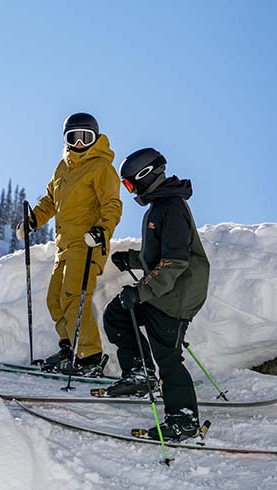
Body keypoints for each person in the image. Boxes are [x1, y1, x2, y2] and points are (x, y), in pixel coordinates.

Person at [103, 147, 210, 441]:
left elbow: (175, 262)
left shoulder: (171, 208)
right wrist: (133, 259)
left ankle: (184, 420)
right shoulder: (160, 206)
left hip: (177, 296)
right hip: (164, 290)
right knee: (117, 313)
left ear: (145, 176)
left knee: (168, 357)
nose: (131, 190)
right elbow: (162, 253)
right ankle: (140, 375)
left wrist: (141, 292)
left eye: (130, 184)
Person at [17, 113, 122, 374]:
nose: (79, 144)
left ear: (95, 138)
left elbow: (112, 204)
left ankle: (89, 357)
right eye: (73, 138)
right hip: (64, 245)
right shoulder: (63, 167)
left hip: (87, 244)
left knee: (74, 297)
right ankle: (69, 349)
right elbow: (50, 201)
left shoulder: (101, 167)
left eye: (85, 137)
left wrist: (102, 231)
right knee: (55, 299)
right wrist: (33, 221)